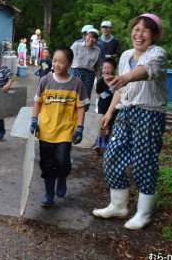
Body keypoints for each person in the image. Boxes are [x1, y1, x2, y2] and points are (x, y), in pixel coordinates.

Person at [93, 13, 168, 230]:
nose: (139, 33)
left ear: (154, 35)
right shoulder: (125, 55)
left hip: (149, 113)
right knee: (112, 155)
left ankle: (143, 213)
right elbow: (121, 86)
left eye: (146, 30)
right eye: (137, 28)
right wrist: (109, 113)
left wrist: (125, 78)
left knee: (144, 162)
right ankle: (118, 206)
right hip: (125, 112)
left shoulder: (158, 54)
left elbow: (146, 72)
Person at [30, 47, 88, 207]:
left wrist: (80, 127)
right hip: (46, 130)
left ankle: (62, 177)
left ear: (69, 63)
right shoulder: (45, 81)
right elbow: (38, 101)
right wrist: (34, 119)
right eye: (54, 60)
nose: (56, 64)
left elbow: (81, 107)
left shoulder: (77, 84)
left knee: (62, 161)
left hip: (65, 131)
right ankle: (49, 194)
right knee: (46, 164)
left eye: (61, 62)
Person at [70, 28, 101, 103]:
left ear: (96, 40)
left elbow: (97, 67)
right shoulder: (76, 45)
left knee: (85, 96)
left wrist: (99, 79)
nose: (91, 39)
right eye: (89, 36)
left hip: (89, 75)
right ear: (85, 36)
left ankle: (82, 112)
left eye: (94, 37)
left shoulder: (97, 50)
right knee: (72, 93)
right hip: (75, 72)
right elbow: (67, 57)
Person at [94, 58, 117, 151]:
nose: (106, 70)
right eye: (104, 68)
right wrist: (99, 104)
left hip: (112, 106)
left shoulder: (116, 81)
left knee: (110, 123)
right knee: (101, 123)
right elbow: (98, 94)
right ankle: (99, 141)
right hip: (102, 106)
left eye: (109, 68)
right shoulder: (100, 81)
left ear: (114, 69)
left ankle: (106, 141)